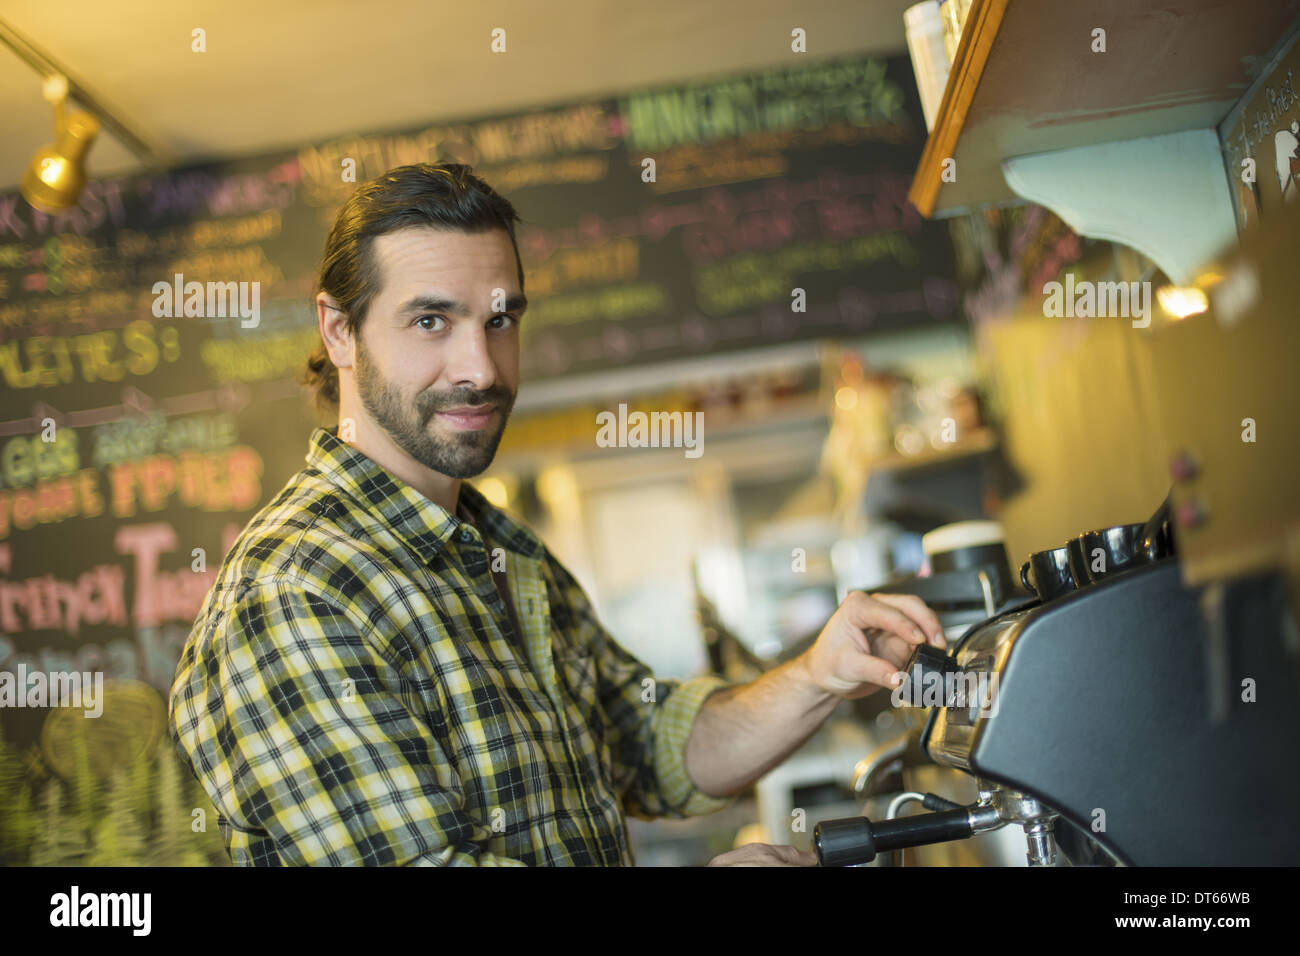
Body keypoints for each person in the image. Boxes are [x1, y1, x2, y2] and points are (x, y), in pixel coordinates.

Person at [168, 163, 946, 866]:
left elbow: (653, 749)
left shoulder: (503, 552)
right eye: (431, 321)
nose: (480, 368)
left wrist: (817, 674)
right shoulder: (296, 591)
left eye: (500, 320)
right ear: (340, 332)